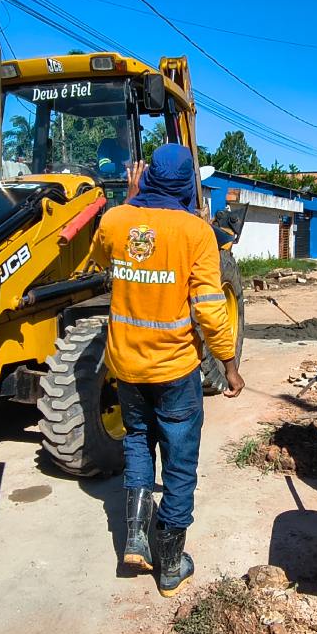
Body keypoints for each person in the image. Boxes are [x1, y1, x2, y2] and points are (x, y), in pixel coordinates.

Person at [92, 143, 244, 597]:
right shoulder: (196, 233)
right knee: (179, 465)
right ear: (185, 183)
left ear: (147, 176)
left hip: (127, 365)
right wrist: (229, 366)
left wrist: (130, 201)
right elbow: (211, 311)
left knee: (137, 444)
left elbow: (103, 259)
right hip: (175, 370)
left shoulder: (116, 220)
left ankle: (136, 538)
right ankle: (171, 563)